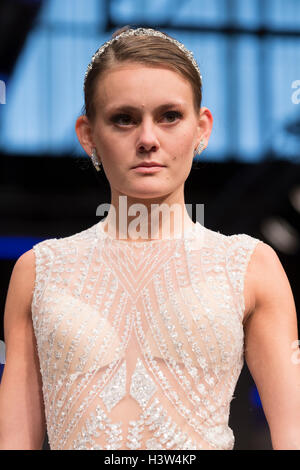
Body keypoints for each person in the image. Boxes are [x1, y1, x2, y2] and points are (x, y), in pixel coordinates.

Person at [0, 25, 299, 451]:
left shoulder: (250, 266)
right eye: (124, 118)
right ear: (87, 135)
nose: (147, 139)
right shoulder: (39, 272)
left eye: (169, 116)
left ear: (202, 128)